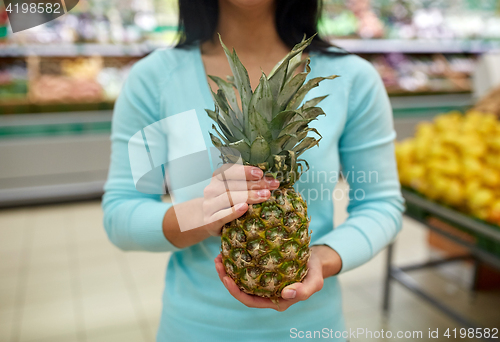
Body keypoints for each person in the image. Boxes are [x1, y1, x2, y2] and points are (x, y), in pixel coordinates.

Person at [102, 0, 405, 341]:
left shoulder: (354, 78)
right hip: (195, 328)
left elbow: (381, 204)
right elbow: (121, 214)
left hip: (312, 329)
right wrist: (204, 214)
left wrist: (325, 257)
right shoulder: (154, 78)